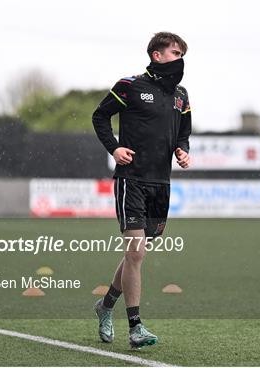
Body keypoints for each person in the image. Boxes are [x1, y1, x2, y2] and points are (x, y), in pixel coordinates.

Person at [91, 32, 191, 349]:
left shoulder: (181, 95)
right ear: (156, 55)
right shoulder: (129, 85)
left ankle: (105, 306)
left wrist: (183, 150)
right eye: (175, 52)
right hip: (131, 178)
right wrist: (115, 148)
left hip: (161, 183)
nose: (180, 59)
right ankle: (136, 327)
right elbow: (100, 116)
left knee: (136, 254)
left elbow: (183, 133)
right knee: (136, 252)